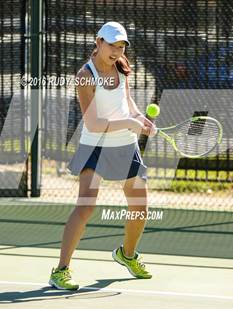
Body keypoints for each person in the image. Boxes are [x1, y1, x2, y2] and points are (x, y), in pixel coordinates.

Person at [49, 21, 156, 290]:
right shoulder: (85, 76)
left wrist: (141, 120)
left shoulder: (122, 66)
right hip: (95, 145)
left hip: (125, 145)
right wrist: (130, 124)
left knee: (140, 208)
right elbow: (94, 123)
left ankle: (127, 255)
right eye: (113, 45)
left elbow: (128, 105)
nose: (117, 51)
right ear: (98, 42)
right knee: (85, 207)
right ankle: (60, 271)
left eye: (121, 46)